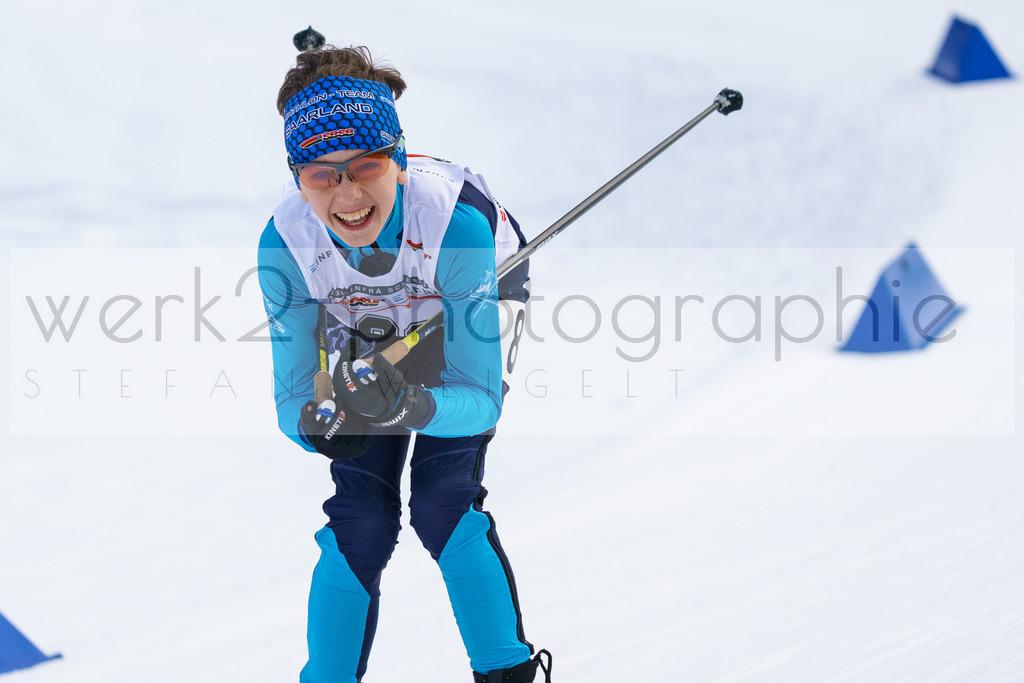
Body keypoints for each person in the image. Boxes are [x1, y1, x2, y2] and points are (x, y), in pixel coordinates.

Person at [257, 42, 551, 683]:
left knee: (443, 501)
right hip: (362, 314)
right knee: (363, 516)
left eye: (363, 167)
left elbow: (479, 396)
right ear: (297, 178)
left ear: (395, 160)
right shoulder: (286, 243)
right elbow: (288, 399)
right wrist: (318, 424)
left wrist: (412, 404)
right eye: (319, 174)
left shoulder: (457, 222)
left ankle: (506, 674)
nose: (345, 193)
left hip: (469, 290)